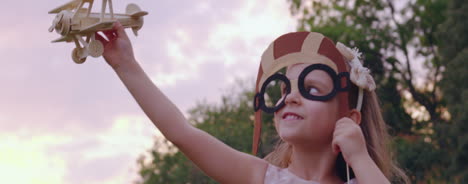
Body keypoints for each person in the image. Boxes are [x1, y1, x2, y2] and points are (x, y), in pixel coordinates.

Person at [96, 22, 408, 184]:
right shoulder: (262, 178)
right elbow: (182, 133)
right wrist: (126, 64)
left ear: (349, 119)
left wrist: (361, 158)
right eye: (284, 88)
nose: (291, 97)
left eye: (312, 88)